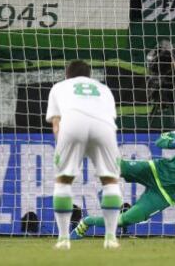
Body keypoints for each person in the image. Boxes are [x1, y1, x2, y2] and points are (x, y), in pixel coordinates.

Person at [46, 60, 122, 249]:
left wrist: (62, 151)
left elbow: (56, 124)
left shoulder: (59, 87)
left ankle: (64, 239)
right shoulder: (104, 89)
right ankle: (111, 239)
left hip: (72, 123)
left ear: (67, 75)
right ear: (89, 76)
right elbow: (110, 117)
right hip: (104, 126)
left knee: (63, 181)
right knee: (110, 181)